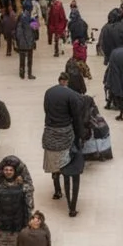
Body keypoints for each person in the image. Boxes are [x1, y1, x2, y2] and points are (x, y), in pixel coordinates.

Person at [42, 72, 87, 207]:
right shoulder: (71, 95)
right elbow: (76, 117)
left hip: (50, 132)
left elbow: (46, 109)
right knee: (64, 161)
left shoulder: (49, 92)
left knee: (53, 163)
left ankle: (57, 190)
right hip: (64, 134)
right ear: (67, 81)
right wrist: (80, 135)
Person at [15, 12, 37, 80]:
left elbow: (17, 32)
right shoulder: (32, 18)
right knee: (29, 59)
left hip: (21, 43)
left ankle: (22, 73)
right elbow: (36, 29)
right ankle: (29, 74)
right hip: (29, 42)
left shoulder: (20, 19)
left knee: (22, 59)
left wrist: (18, 41)